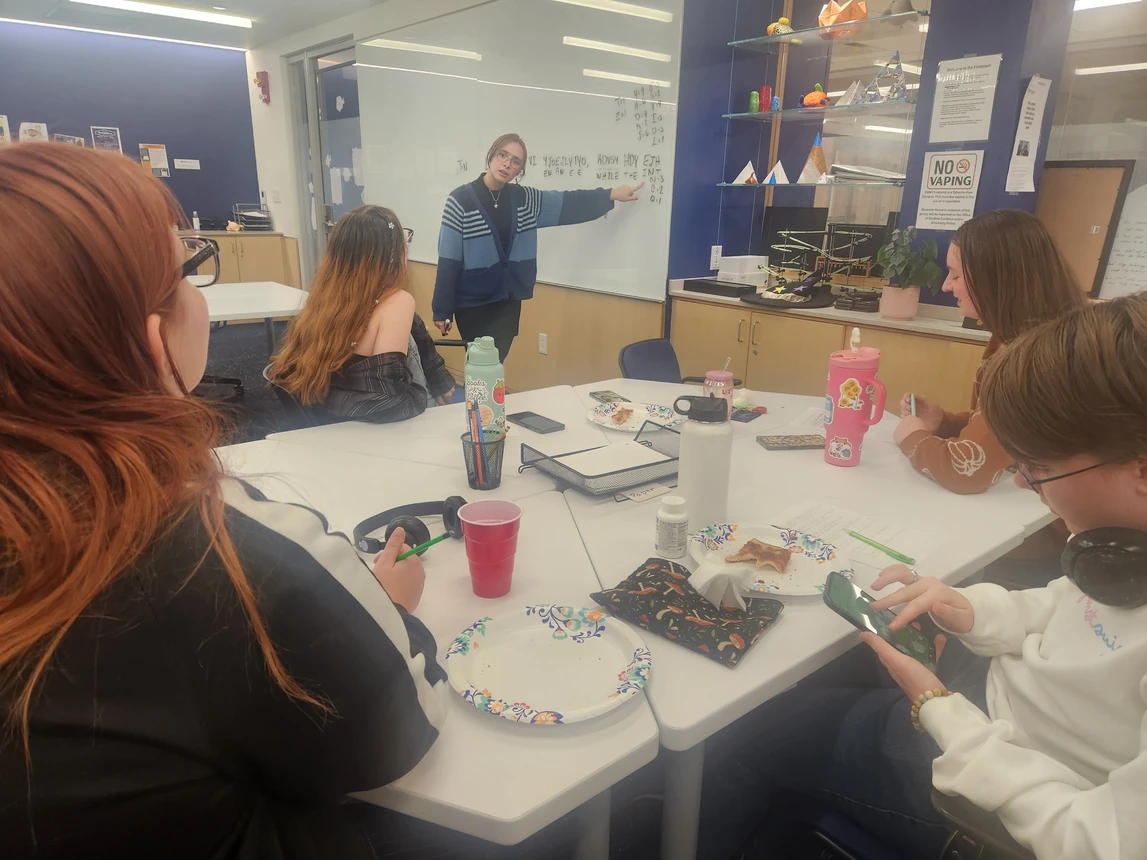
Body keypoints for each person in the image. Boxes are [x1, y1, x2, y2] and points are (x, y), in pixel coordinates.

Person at [0, 144, 447, 859]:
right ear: (154, 342)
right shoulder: (221, 551)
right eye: (188, 269)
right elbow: (405, 724)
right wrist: (390, 607)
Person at [699, 294, 1147, 860]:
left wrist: (941, 711)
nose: (1025, 484)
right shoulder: (1120, 555)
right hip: (995, 707)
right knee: (832, 660)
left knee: (747, 738)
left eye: (1039, 471)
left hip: (1001, 790)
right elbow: (1069, 606)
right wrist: (974, 609)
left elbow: (1098, 842)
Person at [892, 209, 1086, 494]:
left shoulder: (1034, 362)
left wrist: (913, 436)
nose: (946, 285)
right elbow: (1000, 432)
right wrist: (945, 422)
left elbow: (963, 471)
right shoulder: (1010, 337)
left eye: (956, 276)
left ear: (996, 280)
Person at [431, 132, 643, 361]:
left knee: (496, 365)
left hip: (508, 302)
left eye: (515, 161)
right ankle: (480, 399)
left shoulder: (525, 200)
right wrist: (442, 309)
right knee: (480, 366)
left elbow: (568, 203)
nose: (507, 164)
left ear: (519, 170)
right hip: (473, 303)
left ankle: (489, 398)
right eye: (503, 155)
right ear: (491, 155)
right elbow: (448, 259)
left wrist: (610, 195)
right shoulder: (460, 200)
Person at [272, 205, 457, 424]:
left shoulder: (325, 301)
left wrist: (438, 379)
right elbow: (388, 404)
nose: (406, 246)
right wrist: (423, 397)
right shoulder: (398, 301)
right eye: (403, 240)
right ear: (390, 255)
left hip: (332, 426)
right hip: (388, 431)